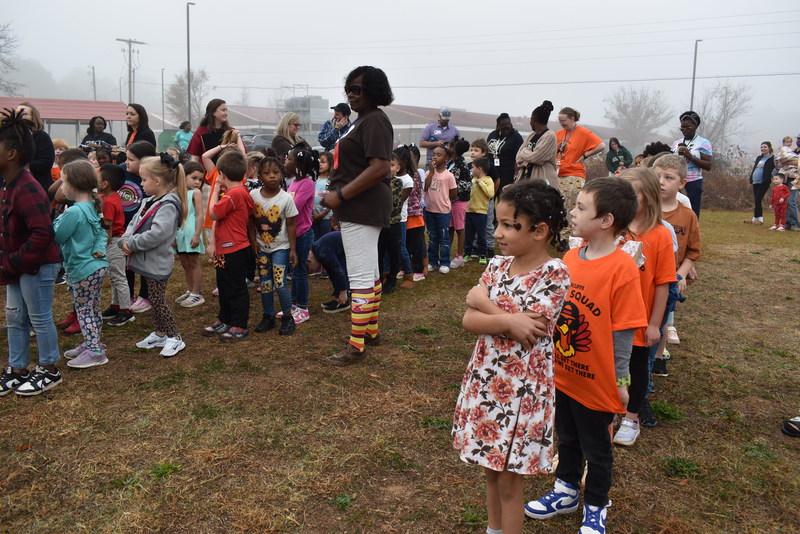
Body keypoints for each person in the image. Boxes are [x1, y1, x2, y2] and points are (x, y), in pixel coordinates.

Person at [525, 178, 646, 534]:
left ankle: (595, 504)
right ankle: (565, 490)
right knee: (567, 435)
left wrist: (621, 380)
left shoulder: (622, 268)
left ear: (605, 221)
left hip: (597, 382)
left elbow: (623, 332)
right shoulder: (570, 258)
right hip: (564, 373)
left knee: (598, 447)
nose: (572, 213)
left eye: (580, 207)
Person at [453, 180, 570, 534]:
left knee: (509, 481)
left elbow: (529, 330)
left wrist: (485, 303)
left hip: (523, 393)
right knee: (490, 471)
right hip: (487, 383)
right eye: (498, 224)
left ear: (540, 231)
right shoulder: (497, 266)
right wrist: (507, 318)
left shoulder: (555, 274)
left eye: (509, 225)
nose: (499, 233)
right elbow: (468, 320)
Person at [321, 65, 394, 366]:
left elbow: (379, 167)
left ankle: (356, 346)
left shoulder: (375, 120)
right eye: (348, 89)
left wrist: (340, 195)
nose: (351, 94)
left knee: (361, 277)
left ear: (373, 91)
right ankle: (371, 332)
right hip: (359, 206)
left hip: (362, 206)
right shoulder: (363, 120)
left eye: (357, 89)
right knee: (371, 272)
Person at [0, 108, 64, 397]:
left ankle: (50, 368)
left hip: (37, 266)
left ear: (12, 153)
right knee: (14, 317)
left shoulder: (27, 188)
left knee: (39, 317)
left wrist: (15, 262)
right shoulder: (8, 186)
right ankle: (17, 367)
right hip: (16, 266)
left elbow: (42, 232)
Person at [612, 168, 676, 447]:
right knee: (610, 364)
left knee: (637, 367)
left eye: (631, 194)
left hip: (639, 319)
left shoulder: (660, 235)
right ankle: (609, 409)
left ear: (648, 197)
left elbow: (663, 284)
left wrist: (654, 324)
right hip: (611, 316)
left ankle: (631, 417)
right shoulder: (612, 229)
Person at [121, 153, 187, 357]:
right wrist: (124, 239)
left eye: (144, 179)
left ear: (157, 181)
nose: (140, 184)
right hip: (147, 262)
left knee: (158, 302)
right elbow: (134, 223)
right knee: (155, 300)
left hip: (158, 264)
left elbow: (157, 234)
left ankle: (175, 337)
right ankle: (160, 333)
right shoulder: (149, 201)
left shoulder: (167, 205)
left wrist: (131, 244)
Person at [54, 160, 110, 369]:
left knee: (84, 310)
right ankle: (92, 342)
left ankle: (95, 351)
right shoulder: (93, 206)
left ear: (73, 185)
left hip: (82, 269)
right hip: (96, 266)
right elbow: (102, 233)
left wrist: (57, 219)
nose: (62, 187)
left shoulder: (74, 212)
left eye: (63, 182)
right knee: (93, 307)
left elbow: (58, 236)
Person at [651, 154, 701, 379]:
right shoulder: (643, 208)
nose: (661, 181)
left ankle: (658, 358)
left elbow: (692, 251)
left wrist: (679, 275)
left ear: (681, 183)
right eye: (656, 176)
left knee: (663, 319)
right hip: (643, 276)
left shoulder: (687, 215)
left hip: (669, 278)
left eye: (669, 177)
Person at [203, 150, 254, 341]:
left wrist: (215, 192)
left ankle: (240, 324)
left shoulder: (234, 194)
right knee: (224, 286)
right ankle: (225, 319)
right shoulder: (238, 192)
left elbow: (214, 213)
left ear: (222, 175)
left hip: (235, 249)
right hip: (225, 249)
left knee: (236, 288)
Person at [250, 156, 298, 336]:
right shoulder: (253, 196)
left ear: (282, 174)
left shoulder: (286, 198)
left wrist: (292, 250)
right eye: (267, 173)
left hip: (281, 248)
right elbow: (250, 219)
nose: (272, 176)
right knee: (266, 283)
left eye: (276, 172)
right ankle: (268, 316)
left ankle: (287, 317)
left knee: (280, 282)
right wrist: (253, 241)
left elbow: (292, 225)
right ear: (259, 175)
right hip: (262, 249)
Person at [120, 140, 157, 314]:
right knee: (126, 265)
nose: (126, 162)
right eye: (126, 158)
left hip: (142, 229)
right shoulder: (122, 172)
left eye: (131, 159)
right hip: (125, 227)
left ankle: (145, 295)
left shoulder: (150, 180)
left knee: (142, 263)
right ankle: (129, 295)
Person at [282, 146, 317, 323]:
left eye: (288, 159)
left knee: (299, 271)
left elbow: (292, 208)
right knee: (294, 271)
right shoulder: (293, 183)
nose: (285, 162)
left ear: (299, 164)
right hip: (292, 235)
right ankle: (294, 305)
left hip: (302, 234)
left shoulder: (308, 184)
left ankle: (302, 307)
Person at [97, 163, 134, 326]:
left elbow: (108, 228)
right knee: (114, 276)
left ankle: (126, 310)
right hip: (114, 241)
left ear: (105, 184)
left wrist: (102, 246)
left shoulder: (108, 202)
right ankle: (116, 305)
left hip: (113, 242)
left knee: (118, 277)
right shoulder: (110, 198)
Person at [555, 106, 605, 216]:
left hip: (574, 175)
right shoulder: (559, 133)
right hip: (558, 175)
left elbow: (601, 145)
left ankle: (570, 233)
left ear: (572, 119)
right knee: (559, 208)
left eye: (564, 121)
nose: (562, 123)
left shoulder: (583, 132)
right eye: (560, 121)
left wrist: (585, 155)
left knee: (570, 209)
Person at [378, 151, 412, 294]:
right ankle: (378, 279)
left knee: (394, 252)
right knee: (379, 253)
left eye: (391, 165)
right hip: (379, 224)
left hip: (393, 223)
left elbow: (394, 204)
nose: (388, 168)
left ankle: (392, 279)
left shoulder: (397, 182)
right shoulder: (377, 183)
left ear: (397, 168)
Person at [174, 160, 206, 308]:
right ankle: (190, 289)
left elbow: (200, 215)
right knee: (185, 262)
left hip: (192, 231)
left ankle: (197, 293)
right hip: (180, 232)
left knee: (193, 262)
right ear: (183, 176)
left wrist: (196, 234)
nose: (198, 182)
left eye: (200, 179)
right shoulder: (176, 192)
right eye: (194, 178)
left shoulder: (196, 192)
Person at [671, 111, 712, 218]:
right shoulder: (676, 143)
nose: (685, 131)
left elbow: (708, 165)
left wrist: (691, 156)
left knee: (691, 213)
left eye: (688, 128)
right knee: (674, 212)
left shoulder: (703, 143)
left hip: (693, 182)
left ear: (696, 126)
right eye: (682, 128)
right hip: (676, 181)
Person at [424, 146, 457, 273]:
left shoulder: (449, 175)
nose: (435, 157)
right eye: (434, 155)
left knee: (444, 238)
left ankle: (444, 262)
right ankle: (432, 261)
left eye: (439, 155)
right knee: (432, 237)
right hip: (430, 210)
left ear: (446, 159)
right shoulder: (428, 173)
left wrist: (443, 200)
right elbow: (425, 188)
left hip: (443, 211)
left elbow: (453, 193)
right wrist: (431, 173)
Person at [187, 99, 246, 170]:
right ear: (213, 112)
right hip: (208, 176)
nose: (226, 113)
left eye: (226, 110)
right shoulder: (201, 131)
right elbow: (195, 158)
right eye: (223, 110)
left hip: (228, 175)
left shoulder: (232, 132)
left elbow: (243, 155)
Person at [515, 100, 557, 187]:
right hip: (525, 181)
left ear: (533, 120)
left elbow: (536, 158)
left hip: (542, 183)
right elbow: (518, 158)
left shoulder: (550, 136)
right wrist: (528, 156)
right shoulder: (531, 135)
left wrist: (524, 151)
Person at [16, 102, 56, 193]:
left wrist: (21, 165)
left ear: (33, 117)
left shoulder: (41, 137)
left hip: (37, 189)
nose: (19, 116)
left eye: (24, 114)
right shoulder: (10, 138)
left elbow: (46, 162)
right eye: (16, 113)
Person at [309, 229, 349, 313]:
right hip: (340, 246)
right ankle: (337, 299)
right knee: (333, 272)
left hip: (346, 245)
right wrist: (336, 292)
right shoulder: (319, 253)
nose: (314, 271)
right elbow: (331, 273)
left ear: (309, 261)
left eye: (310, 269)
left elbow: (338, 271)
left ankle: (344, 300)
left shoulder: (321, 252)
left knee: (341, 270)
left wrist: (343, 291)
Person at [464, 157, 495, 264]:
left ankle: (482, 254)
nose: (471, 170)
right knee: (469, 234)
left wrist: (481, 183)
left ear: (480, 169)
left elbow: (490, 194)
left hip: (481, 213)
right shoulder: (472, 180)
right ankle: (467, 253)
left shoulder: (488, 180)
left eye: (473, 167)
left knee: (481, 234)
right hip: (469, 211)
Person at [470, 138, 498, 258]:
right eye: (471, 150)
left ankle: (490, 248)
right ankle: (476, 246)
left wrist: (491, 195)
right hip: (474, 202)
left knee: (487, 225)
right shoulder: (470, 166)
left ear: (484, 153)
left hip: (486, 201)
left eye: (476, 150)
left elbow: (497, 180)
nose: (472, 152)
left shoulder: (489, 166)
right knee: (475, 223)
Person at [487, 113, 524, 198]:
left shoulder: (516, 137)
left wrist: (516, 176)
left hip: (506, 174)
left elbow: (518, 158)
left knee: (504, 198)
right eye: (503, 128)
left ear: (511, 124)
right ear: (498, 126)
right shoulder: (493, 135)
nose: (506, 130)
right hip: (491, 172)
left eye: (508, 127)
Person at [405, 145, 427, 282]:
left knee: (417, 245)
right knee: (406, 244)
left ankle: (419, 270)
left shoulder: (414, 175)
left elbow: (414, 195)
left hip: (414, 215)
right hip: (405, 215)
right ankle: (407, 267)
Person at [448, 138, 471, 269]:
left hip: (459, 201)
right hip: (451, 201)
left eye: (449, 145)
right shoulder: (453, 163)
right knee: (450, 227)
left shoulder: (460, 165)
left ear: (453, 149)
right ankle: (448, 254)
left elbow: (459, 185)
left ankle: (459, 256)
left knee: (459, 228)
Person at [746, 142, 775, 225]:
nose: (763, 148)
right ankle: (755, 218)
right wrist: (751, 177)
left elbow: (775, 168)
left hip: (764, 182)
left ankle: (760, 219)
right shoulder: (759, 158)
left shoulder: (772, 159)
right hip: (756, 180)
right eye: (761, 147)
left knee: (758, 199)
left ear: (769, 148)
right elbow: (755, 168)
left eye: (765, 147)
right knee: (756, 200)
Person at [312, 151, 333, 239]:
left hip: (326, 217)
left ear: (330, 164)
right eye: (318, 162)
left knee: (324, 238)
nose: (320, 164)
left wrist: (322, 214)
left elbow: (331, 200)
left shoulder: (330, 181)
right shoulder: (313, 180)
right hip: (313, 217)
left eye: (323, 162)